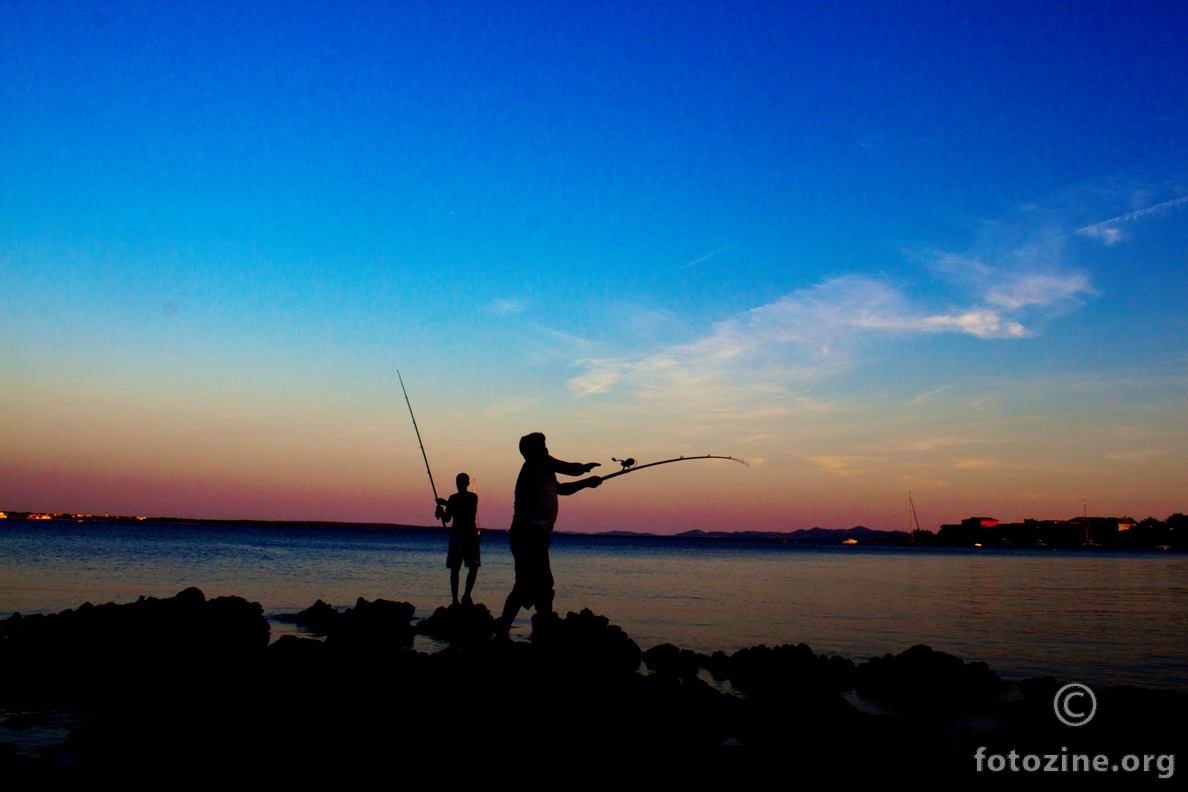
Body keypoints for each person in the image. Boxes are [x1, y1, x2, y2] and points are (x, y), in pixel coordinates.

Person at [496, 432, 601, 636]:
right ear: (533, 450)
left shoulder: (543, 467)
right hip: (530, 534)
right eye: (542, 445)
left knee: (535, 584)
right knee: (536, 584)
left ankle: (535, 627)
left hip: (533, 534)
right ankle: (530, 629)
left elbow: (561, 489)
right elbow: (571, 469)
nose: (546, 448)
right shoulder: (539, 462)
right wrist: (585, 469)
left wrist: (587, 483)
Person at [436, 472, 480, 606]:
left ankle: (466, 595)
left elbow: (464, 506)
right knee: (456, 569)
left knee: (473, 567)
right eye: (458, 481)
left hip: (468, 536)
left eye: (460, 481)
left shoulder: (472, 497)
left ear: (466, 483)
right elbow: (447, 519)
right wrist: (441, 512)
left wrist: (446, 503)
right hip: (460, 537)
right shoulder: (452, 499)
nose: (459, 484)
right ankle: (455, 599)